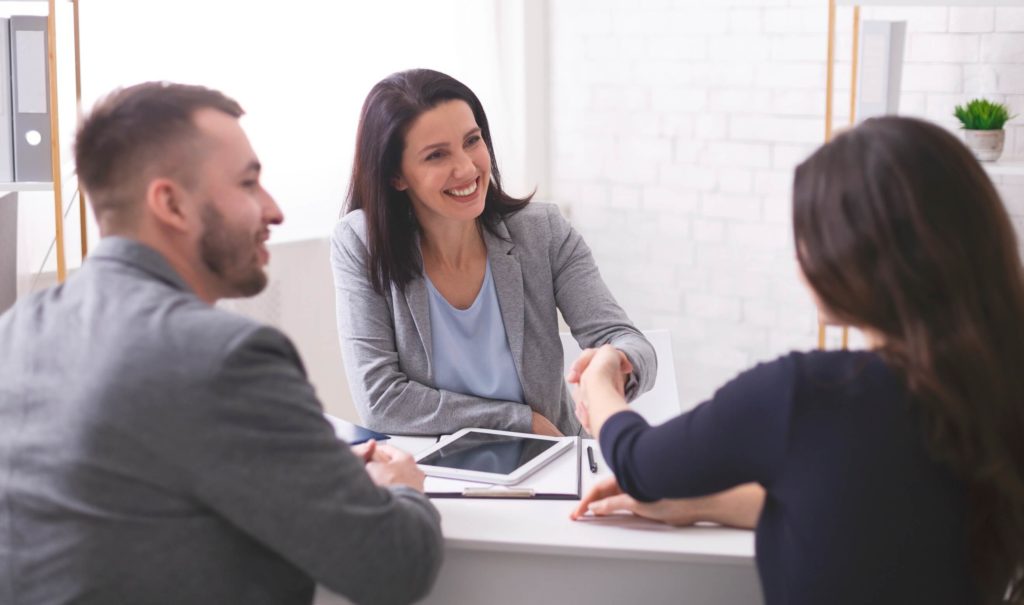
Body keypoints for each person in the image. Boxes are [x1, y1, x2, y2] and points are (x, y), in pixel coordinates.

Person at [0, 82, 443, 605]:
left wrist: (309, 467)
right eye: (249, 184)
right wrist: (401, 488)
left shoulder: (16, 329)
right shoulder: (223, 355)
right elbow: (392, 566)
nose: (274, 211)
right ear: (172, 204)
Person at [569, 116, 1024, 605]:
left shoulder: (808, 394)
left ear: (854, 254)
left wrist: (600, 381)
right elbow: (867, 508)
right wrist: (705, 504)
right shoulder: (994, 386)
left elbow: (639, 461)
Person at [331, 68, 656, 437]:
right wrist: (519, 421)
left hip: (552, 466)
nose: (467, 168)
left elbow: (628, 341)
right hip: (435, 474)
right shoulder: (360, 243)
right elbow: (381, 401)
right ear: (396, 176)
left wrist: (614, 359)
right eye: (437, 155)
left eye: (472, 141)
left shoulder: (543, 231)